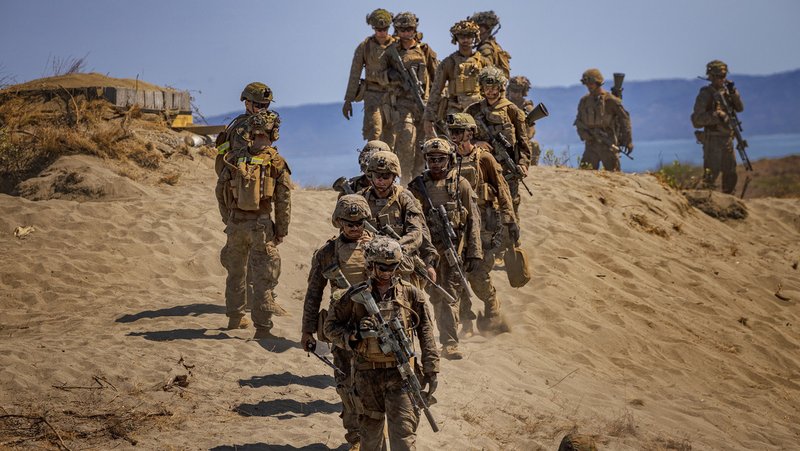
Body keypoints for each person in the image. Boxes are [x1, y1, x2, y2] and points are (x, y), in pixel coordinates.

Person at [324, 236, 439, 451]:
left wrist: (432, 369)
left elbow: (426, 332)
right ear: (370, 265)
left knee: (404, 439)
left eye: (392, 267)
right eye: (382, 267)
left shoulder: (410, 294)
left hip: (401, 376)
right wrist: (355, 335)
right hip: (367, 376)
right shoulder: (354, 296)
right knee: (370, 441)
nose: (387, 272)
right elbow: (330, 329)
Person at [301, 195, 374, 450]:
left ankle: (374, 434)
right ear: (338, 222)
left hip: (375, 328)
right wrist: (307, 330)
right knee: (347, 385)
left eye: (360, 222)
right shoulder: (327, 253)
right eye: (349, 222)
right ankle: (355, 438)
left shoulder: (380, 248)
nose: (355, 227)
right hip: (341, 329)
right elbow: (313, 293)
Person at [215, 106, 291, 338]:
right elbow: (283, 201)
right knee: (262, 277)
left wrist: (228, 218)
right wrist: (281, 230)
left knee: (236, 273)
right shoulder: (276, 162)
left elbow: (220, 191)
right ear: (273, 133)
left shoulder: (235, 158)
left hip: (236, 225)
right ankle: (263, 328)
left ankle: (235, 318)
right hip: (261, 226)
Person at [408, 138, 482, 359]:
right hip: (426, 253)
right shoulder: (417, 188)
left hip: (453, 251)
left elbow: (473, 221)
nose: (436, 163)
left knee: (448, 294)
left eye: (441, 159)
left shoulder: (461, 185)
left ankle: (450, 342)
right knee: (432, 296)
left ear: (449, 159)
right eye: (432, 159)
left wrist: (474, 252)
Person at [447, 112, 517, 334]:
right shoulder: (447, 160)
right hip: (458, 226)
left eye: (459, 131)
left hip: (485, 227)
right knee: (458, 273)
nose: (454, 136)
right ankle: (466, 322)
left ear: (470, 133)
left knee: (477, 273)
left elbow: (503, 190)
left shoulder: (484, 159)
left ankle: (491, 304)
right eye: (452, 132)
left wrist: (510, 221)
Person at [466, 66, 531, 217]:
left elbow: (523, 141)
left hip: (507, 170)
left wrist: (523, 163)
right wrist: (476, 143)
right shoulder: (473, 110)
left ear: (501, 87)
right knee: (483, 209)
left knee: (509, 210)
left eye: (494, 87)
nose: (490, 91)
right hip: (481, 168)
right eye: (486, 87)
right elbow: (460, 137)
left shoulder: (512, 110)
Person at [385, 12, 439, 183]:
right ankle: (405, 183)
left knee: (423, 148)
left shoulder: (425, 50)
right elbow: (381, 75)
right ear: (397, 30)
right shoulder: (392, 52)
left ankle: (418, 185)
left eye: (409, 29)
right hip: (403, 105)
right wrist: (396, 77)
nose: (406, 33)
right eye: (402, 29)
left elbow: (436, 77)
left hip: (423, 104)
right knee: (406, 144)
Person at [422, 20, 491, 140]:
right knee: (455, 145)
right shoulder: (448, 63)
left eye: (469, 36)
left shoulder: (484, 63)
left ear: (475, 38)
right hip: (455, 110)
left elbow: (494, 90)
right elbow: (436, 91)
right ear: (456, 38)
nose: (465, 40)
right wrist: (428, 118)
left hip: (479, 111)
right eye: (462, 37)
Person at [691, 60, 745, 194]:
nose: (723, 79)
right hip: (713, 140)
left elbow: (740, 108)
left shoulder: (728, 93)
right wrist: (717, 116)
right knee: (711, 174)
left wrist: (733, 93)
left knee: (730, 173)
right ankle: (707, 201)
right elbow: (697, 120)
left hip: (727, 139)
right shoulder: (705, 94)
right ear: (712, 77)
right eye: (719, 76)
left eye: (724, 76)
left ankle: (729, 200)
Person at [343, 9, 396, 144]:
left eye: (384, 29)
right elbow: (355, 74)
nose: (382, 33)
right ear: (373, 28)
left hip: (394, 96)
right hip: (372, 95)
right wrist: (348, 100)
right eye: (378, 29)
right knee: (375, 132)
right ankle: (372, 162)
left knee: (392, 136)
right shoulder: (365, 47)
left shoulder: (397, 45)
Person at [574, 68, 633, 171]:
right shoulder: (584, 101)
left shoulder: (610, 100)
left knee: (614, 176)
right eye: (587, 84)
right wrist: (585, 135)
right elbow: (579, 121)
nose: (589, 86)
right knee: (584, 175)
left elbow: (624, 119)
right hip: (591, 145)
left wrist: (628, 141)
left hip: (608, 144)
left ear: (598, 82)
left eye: (591, 83)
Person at [507, 75, 542, 166]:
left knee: (534, 145)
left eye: (518, 91)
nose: (515, 94)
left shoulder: (527, 107)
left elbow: (530, 132)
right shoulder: (502, 103)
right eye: (513, 90)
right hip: (505, 138)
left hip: (521, 140)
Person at [469, 11, 511, 78]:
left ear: (486, 30)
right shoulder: (493, 45)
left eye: (479, 29)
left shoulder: (485, 47)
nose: (476, 32)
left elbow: (488, 69)